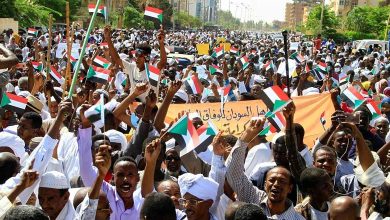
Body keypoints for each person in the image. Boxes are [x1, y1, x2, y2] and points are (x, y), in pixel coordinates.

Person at [225, 118, 305, 219]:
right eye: (271, 180)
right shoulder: (254, 199)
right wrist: (247, 135)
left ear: (290, 188)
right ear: (265, 184)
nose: (276, 184)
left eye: (282, 181)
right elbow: (233, 174)